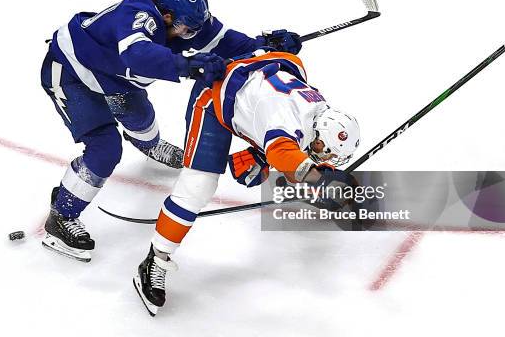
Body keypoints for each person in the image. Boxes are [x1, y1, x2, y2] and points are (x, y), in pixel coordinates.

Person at [40, 0, 303, 261]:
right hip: (72, 74)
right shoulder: (138, 16)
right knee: (105, 149)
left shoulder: (182, 18)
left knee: (141, 119)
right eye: (186, 30)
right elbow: (137, 55)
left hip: (115, 79)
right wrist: (187, 65)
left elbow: (222, 40)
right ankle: (62, 215)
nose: (191, 35)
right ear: (166, 17)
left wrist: (264, 45)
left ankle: (149, 145)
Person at [133, 50, 360, 316]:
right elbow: (285, 154)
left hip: (252, 89)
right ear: (319, 132)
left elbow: (291, 68)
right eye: (325, 150)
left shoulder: (317, 110)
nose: (324, 156)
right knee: (198, 185)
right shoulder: (287, 122)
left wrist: (323, 180)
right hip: (214, 101)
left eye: (330, 156)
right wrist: (321, 181)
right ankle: (155, 260)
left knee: (268, 169)